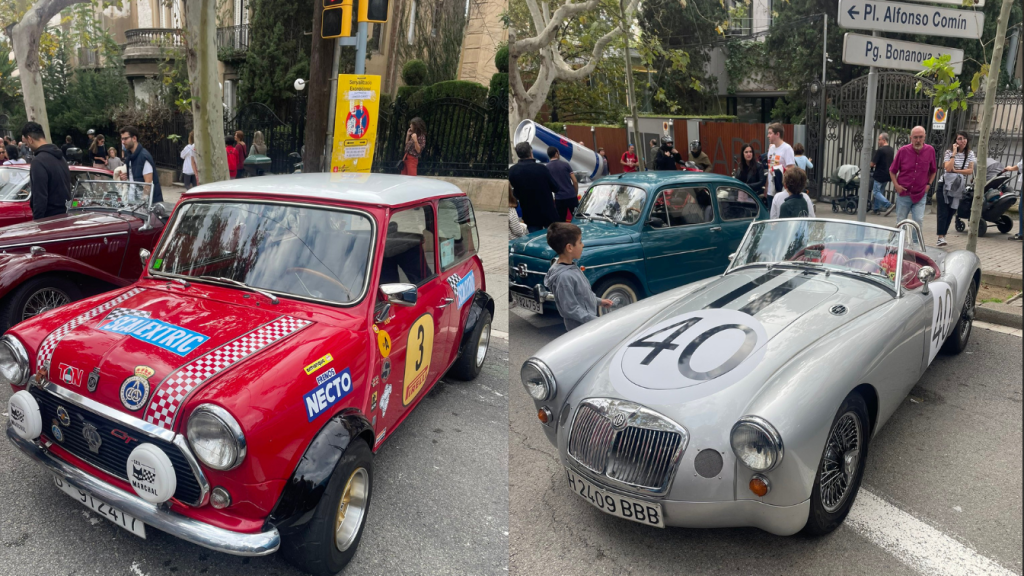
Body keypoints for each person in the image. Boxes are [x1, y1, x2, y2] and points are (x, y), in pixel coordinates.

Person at [543, 222, 613, 331]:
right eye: (580, 242)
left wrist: (599, 301)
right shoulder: (564, 277)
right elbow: (571, 309)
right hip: (579, 329)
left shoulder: (570, 267)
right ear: (569, 247)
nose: (583, 245)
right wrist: (595, 321)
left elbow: (582, 295)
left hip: (586, 324)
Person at [889, 125, 936, 230]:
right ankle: (898, 244)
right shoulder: (903, 151)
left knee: (918, 221)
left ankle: (915, 245)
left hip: (920, 193)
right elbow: (892, 171)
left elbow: (933, 171)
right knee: (901, 221)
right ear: (911, 138)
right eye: (915, 137)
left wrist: (928, 184)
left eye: (920, 137)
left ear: (925, 137)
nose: (918, 140)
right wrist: (896, 185)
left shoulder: (930, 150)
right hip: (904, 193)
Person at [21, 121, 71, 219]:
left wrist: (38, 223)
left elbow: (40, 197)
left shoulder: (38, 162)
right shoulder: (61, 158)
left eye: (26, 144)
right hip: (65, 216)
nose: (28, 147)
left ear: (30, 139)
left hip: (49, 220)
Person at [509, 142, 560, 233]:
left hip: (529, 214)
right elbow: (555, 187)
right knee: (554, 239)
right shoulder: (541, 168)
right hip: (548, 212)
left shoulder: (512, 171)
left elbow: (514, 193)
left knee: (534, 239)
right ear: (531, 152)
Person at [937, 131, 976, 247]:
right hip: (944, 186)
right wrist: (954, 153)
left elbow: (970, 171)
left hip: (958, 187)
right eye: (959, 139)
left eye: (964, 139)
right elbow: (948, 168)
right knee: (942, 212)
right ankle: (940, 237)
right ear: (955, 141)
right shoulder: (949, 152)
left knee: (951, 212)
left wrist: (956, 171)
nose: (962, 141)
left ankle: (943, 235)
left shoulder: (970, 153)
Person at [120, 125, 163, 203]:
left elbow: (148, 184)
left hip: (146, 205)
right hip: (133, 202)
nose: (123, 142)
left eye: (125, 139)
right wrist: (124, 177)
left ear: (134, 138)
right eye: (122, 139)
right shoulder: (129, 156)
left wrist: (142, 204)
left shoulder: (144, 157)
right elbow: (132, 179)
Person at [546, 146, 579, 222]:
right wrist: (575, 193)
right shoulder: (565, 164)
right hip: (571, 196)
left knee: (561, 221)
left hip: (559, 198)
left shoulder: (547, 167)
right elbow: (575, 181)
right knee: (577, 219)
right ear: (556, 153)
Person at [765, 123, 795, 201]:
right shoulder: (771, 149)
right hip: (770, 192)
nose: (768, 135)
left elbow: (791, 169)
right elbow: (770, 169)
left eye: (770, 133)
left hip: (782, 191)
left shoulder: (787, 148)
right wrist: (767, 188)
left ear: (777, 134)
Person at [870, 133, 894, 215]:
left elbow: (872, 163)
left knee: (876, 192)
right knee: (880, 191)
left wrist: (870, 165)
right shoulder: (891, 149)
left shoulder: (880, 150)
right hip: (887, 174)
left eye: (879, 139)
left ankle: (888, 204)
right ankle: (876, 208)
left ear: (884, 140)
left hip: (879, 174)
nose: (878, 141)